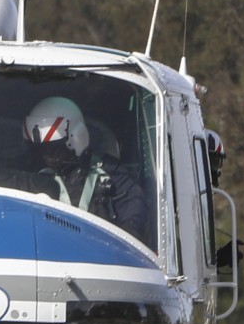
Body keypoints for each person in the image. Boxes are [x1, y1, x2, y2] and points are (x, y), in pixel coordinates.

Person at [15, 96, 149, 243]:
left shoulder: (111, 174)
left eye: (54, 147)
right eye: (42, 148)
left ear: (75, 138)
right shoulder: (34, 178)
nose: (47, 154)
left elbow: (134, 216)